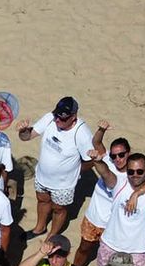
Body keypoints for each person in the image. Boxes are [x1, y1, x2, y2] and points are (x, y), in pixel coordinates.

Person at [74, 128, 145, 266]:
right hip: (93, 218)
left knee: (111, 261)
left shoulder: (135, 174)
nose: (117, 159)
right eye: (114, 155)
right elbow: (96, 142)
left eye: (121, 155)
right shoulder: (107, 162)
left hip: (113, 226)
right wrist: (102, 129)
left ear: (128, 153)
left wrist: (137, 193)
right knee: (84, 248)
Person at [17, 96, 94, 239]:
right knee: (42, 200)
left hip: (63, 184)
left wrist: (76, 171)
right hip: (42, 176)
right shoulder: (50, 118)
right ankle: (39, 228)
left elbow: (91, 160)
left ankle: (52, 235)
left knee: (59, 209)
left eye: (62, 118)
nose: (57, 120)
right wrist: (23, 130)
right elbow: (27, 137)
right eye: (56, 115)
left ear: (74, 116)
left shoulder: (82, 133)